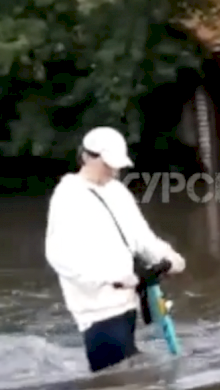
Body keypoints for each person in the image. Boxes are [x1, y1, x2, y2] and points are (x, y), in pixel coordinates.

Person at [44, 126, 187, 373]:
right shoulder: (68, 196)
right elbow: (59, 256)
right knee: (114, 387)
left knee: (132, 375)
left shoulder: (117, 191)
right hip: (97, 308)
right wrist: (109, 279)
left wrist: (167, 256)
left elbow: (141, 237)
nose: (114, 170)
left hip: (128, 300)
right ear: (88, 157)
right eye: (107, 164)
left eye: (116, 165)